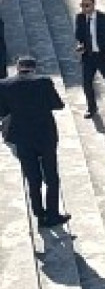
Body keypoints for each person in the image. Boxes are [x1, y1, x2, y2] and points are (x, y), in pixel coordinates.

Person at [0, 56, 69, 227]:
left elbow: (2, 111)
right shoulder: (44, 82)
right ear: (34, 68)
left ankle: (39, 213)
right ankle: (53, 214)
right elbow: (58, 104)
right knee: (51, 177)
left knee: (32, 177)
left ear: (18, 67)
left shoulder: (5, 85)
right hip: (45, 135)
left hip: (22, 136)